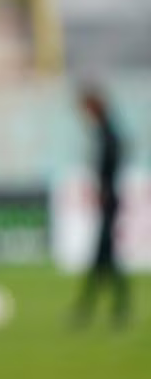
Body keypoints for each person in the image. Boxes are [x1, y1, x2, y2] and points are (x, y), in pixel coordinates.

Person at [70, 82, 130, 329]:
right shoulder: (105, 131)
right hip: (109, 199)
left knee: (104, 256)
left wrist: (104, 190)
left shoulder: (107, 133)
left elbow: (111, 162)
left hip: (109, 201)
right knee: (104, 257)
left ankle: (94, 308)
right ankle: (107, 307)